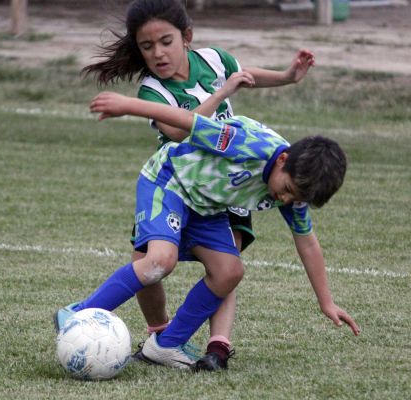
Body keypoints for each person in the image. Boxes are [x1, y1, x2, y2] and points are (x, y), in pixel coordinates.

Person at [65, 0, 316, 371]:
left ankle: (217, 346)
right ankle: (159, 333)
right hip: (180, 182)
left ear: (187, 38)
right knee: (147, 263)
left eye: (165, 42)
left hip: (229, 183)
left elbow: (246, 76)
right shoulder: (153, 90)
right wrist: (221, 95)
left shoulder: (214, 60)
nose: (158, 54)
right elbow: (183, 130)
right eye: (146, 47)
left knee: (227, 265)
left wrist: (287, 76)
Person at [56, 71, 360, 371]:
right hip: (169, 181)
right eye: (288, 191)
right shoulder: (245, 143)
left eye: (296, 199)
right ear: (282, 160)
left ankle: (165, 346)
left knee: (230, 271)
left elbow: (307, 243)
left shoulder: (298, 186)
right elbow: (186, 121)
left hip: (207, 206)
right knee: (160, 261)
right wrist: (126, 105)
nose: (286, 201)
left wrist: (326, 303)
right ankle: (78, 314)